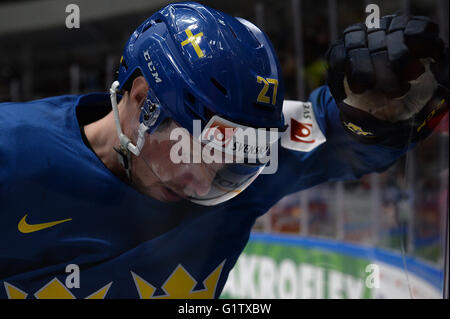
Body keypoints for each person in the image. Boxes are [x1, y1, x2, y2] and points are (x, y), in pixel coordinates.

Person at [0, 2, 447, 299]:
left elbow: (344, 129)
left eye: (234, 161)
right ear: (142, 100)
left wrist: (381, 105)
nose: (208, 181)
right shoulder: (12, 153)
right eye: (195, 151)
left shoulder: (249, 148)